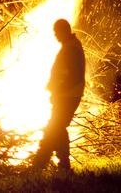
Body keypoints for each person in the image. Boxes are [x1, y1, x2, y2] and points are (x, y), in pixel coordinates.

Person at [31, 19, 86, 173]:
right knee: (57, 128)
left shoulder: (71, 48)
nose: (55, 36)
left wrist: (58, 90)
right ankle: (60, 165)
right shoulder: (70, 46)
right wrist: (52, 85)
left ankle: (40, 165)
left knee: (55, 127)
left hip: (68, 96)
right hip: (66, 95)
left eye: (56, 32)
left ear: (63, 31)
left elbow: (74, 76)